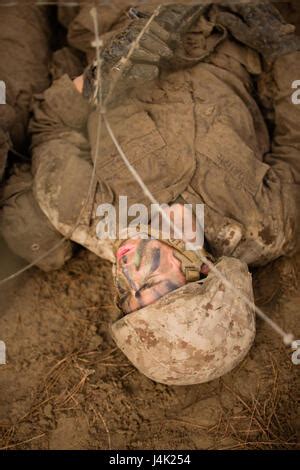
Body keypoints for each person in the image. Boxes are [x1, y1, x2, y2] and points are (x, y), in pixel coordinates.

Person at [1, 2, 299, 384]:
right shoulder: (267, 225)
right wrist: (282, 52)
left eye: (126, 299)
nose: (127, 277)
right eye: (152, 286)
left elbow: (52, 126)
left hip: (112, 16)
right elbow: (295, 139)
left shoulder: (80, 210)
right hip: (225, 24)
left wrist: (103, 76)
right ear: (202, 271)